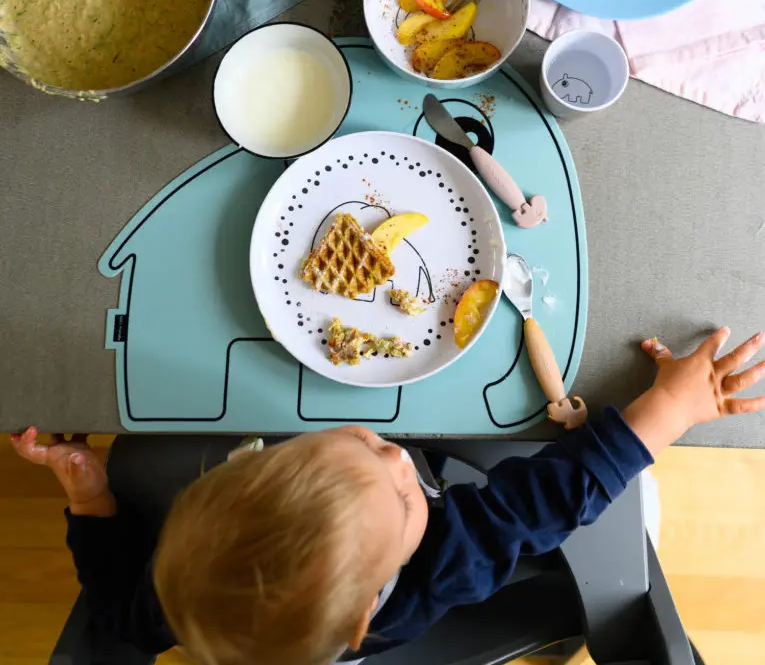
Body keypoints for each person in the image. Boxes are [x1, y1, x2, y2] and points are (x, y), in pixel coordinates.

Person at [13, 328, 765, 665]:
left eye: (366, 447)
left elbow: (115, 608)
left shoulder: (183, 606)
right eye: (404, 498)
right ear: (371, 604)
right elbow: (546, 498)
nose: (402, 461)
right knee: (641, 512)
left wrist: (91, 499)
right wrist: (670, 410)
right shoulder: (442, 566)